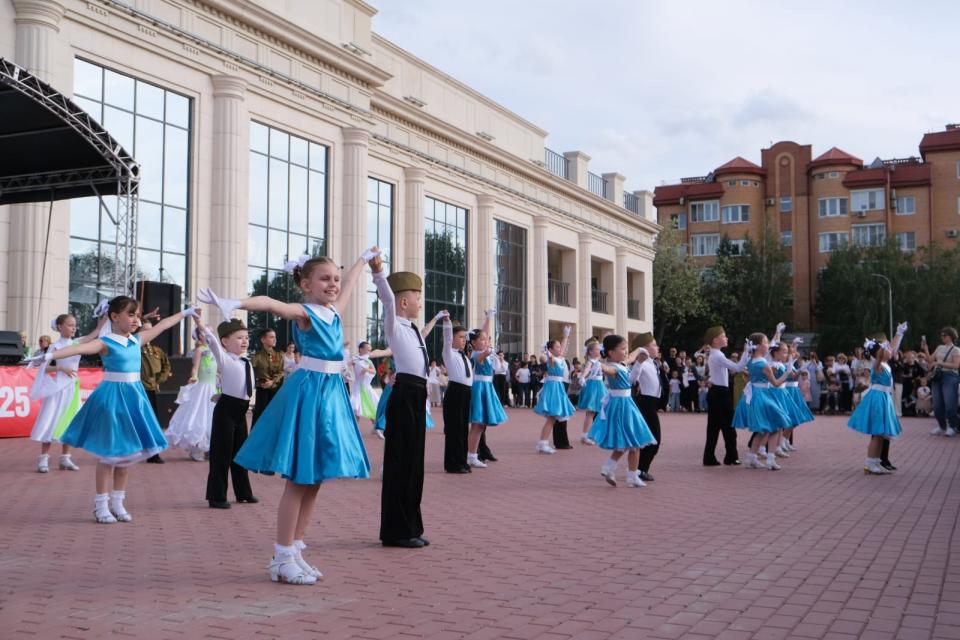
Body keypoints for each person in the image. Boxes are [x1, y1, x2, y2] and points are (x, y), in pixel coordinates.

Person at [201, 250, 372, 584]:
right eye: (325, 279)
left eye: (335, 278)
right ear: (306, 285)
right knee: (300, 478)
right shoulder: (305, 312)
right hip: (310, 393)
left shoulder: (334, 311)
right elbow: (271, 303)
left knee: (315, 479)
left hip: (330, 394)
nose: (333, 284)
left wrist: (362, 261)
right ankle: (281, 556)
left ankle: (295, 550)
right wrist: (235, 302)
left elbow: (351, 283)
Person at [42, 296, 196, 523]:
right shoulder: (106, 342)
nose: (135, 320)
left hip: (134, 400)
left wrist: (186, 313)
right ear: (114, 317)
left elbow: (163, 325)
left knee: (127, 455)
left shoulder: (137, 340)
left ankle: (118, 502)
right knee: (109, 455)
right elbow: (81, 347)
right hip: (112, 400)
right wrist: (49, 355)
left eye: (137, 315)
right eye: (130, 315)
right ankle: (100, 505)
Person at [369, 250, 439, 549]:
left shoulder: (413, 329)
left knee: (413, 464)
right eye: (417, 298)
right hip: (405, 394)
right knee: (400, 462)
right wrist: (378, 273)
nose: (420, 303)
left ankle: (411, 526)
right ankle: (396, 531)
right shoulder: (394, 324)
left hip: (417, 392)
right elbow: (387, 300)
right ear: (404, 302)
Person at [195, 314, 258, 509]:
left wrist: (221, 392)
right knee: (221, 456)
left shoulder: (246, 361)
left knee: (240, 455)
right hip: (226, 412)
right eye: (239, 338)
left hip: (241, 412)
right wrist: (199, 323)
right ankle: (216, 496)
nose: (244, 341)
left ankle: (243, 493)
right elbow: (211, 341)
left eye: (246, 337)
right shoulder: (224, 359)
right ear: (225, 341)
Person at [28, 313, 102, 473]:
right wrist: (60, 368)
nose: (73, 328)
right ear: (60, 327)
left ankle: (65, 458)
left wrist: (105, 318)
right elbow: (44, 368)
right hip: (58, 389)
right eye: (70, 325)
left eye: (74, 325)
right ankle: (43, 459)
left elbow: (95, 333)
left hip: (72, 388)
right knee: (51, 420)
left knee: (70, 422)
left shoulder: (76, 343)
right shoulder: (55, 347)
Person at [589, 334, 657, 488]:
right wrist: (598, 365)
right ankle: (630, 476)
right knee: (635, 441)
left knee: (628, 442)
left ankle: (611, 467)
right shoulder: (612, 367)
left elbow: (631, 373)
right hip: (622, 406)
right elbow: (607, 369)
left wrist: (640, 355)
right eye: (622, 349)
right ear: (611, 352)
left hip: (626, 404)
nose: (626, 351)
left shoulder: (621, 364)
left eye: (626, 348)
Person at [848, 325, 907, 474]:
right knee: (877, 434)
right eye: (886, 349)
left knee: (881, 434)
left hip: (884, 398)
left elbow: (892, 348)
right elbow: (882, 354)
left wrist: (899, 334)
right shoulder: (877, 364)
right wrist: (882, 347)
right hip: (878, 399)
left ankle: (876, 462)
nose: (890, 351)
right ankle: (869, 463)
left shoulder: (884, 364)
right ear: (880, 352)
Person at [731, 332, 793, 470]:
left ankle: (751, 458)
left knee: (762, 430)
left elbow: (748, 377)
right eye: (766, 343)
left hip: (755, 394)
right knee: (777, 426)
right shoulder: (764, 364)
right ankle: (770, 459)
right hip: (764, 396)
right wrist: (787, 372)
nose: (769, 345)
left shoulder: (750, 361)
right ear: (759, 346)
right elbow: (776, 383)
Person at [166, 328, 218, 462]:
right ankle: (196, 448)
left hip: (213, 388)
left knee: (212, 417)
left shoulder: (215, 349)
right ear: (199, 336)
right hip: (202, 388)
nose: (208, 335)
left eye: (210, 332)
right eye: (205, 333)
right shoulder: (199, 350)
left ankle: (210, 447)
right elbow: (195, 368)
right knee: (199, 416)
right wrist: (194, 376)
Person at [703, 326, 749, 466]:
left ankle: (710, 457)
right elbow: (737, 368)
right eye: (723, 336)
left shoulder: (715, 354)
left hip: (716, 392)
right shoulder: (717, 355)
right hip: (720, 394)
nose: (726, 338)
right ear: (715, 340)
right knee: (728, 427)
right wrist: (746, 351)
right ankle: (731, 457)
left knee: (714, 428)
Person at [467, 309, 506, 466]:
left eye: (486, 339)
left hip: (487, 387)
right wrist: (489, 350)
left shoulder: (484, 352)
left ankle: (473, 455)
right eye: (482, 340)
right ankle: (471, 456)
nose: (486, 341)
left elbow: (485, 336)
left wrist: (489, 318)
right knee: (477, 424)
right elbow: (484, 353)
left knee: (481, 425)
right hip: (480, 388)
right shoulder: (476, 354)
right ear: (473, 343)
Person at [534, 327, 576, 454]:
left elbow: (562, 348)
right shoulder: (551, 359)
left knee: (553, 418)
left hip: (558, 387)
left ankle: (543, 443)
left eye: (559, 346)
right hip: (553, 388)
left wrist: (566, 336)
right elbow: (550, 357)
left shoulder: (560, 358)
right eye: (556, 347)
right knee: (552, 417)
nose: (560, 348)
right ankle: (543, 443)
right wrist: (547, 352)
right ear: (551, 350)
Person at [440, 312, 471, 474]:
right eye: (460, 337)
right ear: (452, 339)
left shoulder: (464, 356)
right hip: (455, 392)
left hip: (466, 393)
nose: (464, 340)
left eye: (465, 337)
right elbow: (446, 337)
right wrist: (447, 323)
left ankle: (462, 461)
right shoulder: (449, 352)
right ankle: (452, 464)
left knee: (463, 428)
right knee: (454, 429)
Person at [630, 332, 662, 482]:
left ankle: (639, 468)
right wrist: (638, 363)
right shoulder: (642, 363)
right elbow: (632, 379)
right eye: (653, 345)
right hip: (646, 403)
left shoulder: (653, 363)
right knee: (654, 439)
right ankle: (640, 469)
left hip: (652, 403)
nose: (657, 347)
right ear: (644, 348)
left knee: (650, 439)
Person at [140, 321, 172, 463]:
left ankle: (153, 453)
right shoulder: (135, 349)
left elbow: (166, 366)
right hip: (138, 389)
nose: (149, 333)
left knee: (153, 422)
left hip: (152, 390)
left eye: (150, 330)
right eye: (145, 330)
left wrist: (159, 380)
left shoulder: (157, 351)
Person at [922, 327, 960, 437]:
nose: (942, 337)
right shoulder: (939, 347)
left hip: (950, 376)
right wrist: (926, 350)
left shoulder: (956, 350)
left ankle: (953, 426)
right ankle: (942, 426)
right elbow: (930, 360)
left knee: (950, 404)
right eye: (942, 335)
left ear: (951, 336)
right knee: (937, 405)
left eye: (944, 335)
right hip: (937, 376)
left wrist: (938, 363)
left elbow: (956, 365)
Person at [351, 341, 390, 429]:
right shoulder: (355, 359)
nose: (369, 352)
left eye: (370, 350)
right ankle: (354, 429)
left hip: (367, 387)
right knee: (356, 409)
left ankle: (375, 428)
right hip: (357, 388)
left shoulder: (368, 361)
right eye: (367, 350)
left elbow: (374, 371)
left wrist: (366, 370)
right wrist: (346, 371)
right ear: (361, 349)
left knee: (372, 406)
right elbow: (346, 366)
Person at [250, 328, 284, 427]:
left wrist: (272, 382)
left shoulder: (279, 355)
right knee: (260, 416)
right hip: (262, 391)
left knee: (275, 417)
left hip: (276, 390)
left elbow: (281, 372)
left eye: (275, 337)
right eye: (271, 337)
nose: (275, 339)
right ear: (263, 340)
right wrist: (259, 383)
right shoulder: (256, 357)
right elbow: (250, 373)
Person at [577, 338, 606, 446]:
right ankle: (585, 435)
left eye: (599, 349)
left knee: (601, 410)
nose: (599, 351)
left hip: (599, 385)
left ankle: (594, 434)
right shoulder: (591, 361)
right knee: (591, 412)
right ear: (590, 352)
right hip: (594, 386)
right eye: (597, 349)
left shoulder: (599, 361)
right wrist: (582, 377)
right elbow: (586, 370)